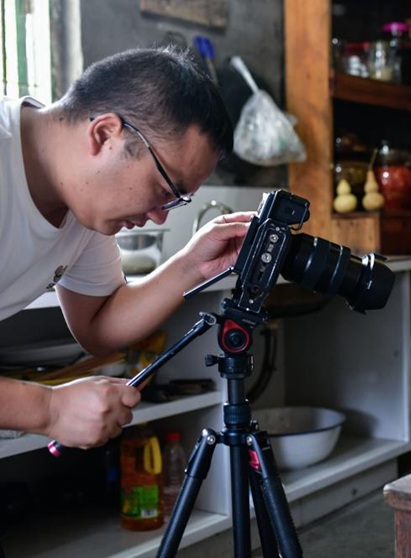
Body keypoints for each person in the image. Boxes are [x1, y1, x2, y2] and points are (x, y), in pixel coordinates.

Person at [0, 47, 256, 449]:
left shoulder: (82, 201)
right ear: (104, 135)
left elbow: (98, 325)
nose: (160, 216)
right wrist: (48, 409)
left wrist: (192, 265)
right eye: (163, 189)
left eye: (176, 200)